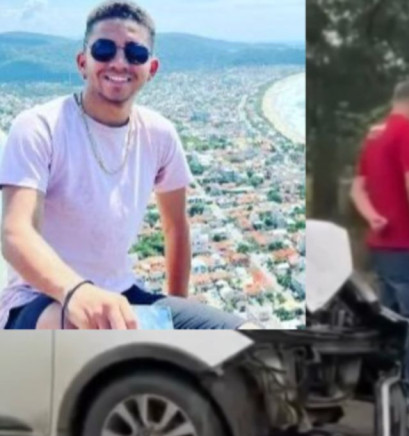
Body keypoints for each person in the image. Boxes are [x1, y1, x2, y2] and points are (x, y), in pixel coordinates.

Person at [0, 1, 255, 330]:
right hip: (38, 299)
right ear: (83, 62)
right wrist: (76, 292)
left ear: (151, 68)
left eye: (135, 53)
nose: (119, 62)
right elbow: (16, 232)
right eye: (104, 49)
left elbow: (176, 226)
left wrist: (177, 315)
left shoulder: (159, 134)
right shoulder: (39, 126)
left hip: (122, 295)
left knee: (250, 341)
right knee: (96, 329)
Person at [349, 79, 409, 423]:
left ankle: (386, 398)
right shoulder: (407, 131)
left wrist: (372, 216)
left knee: (389, 327)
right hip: (407, 244)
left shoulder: (375, 133)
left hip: (382, 247)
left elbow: (358, 187)